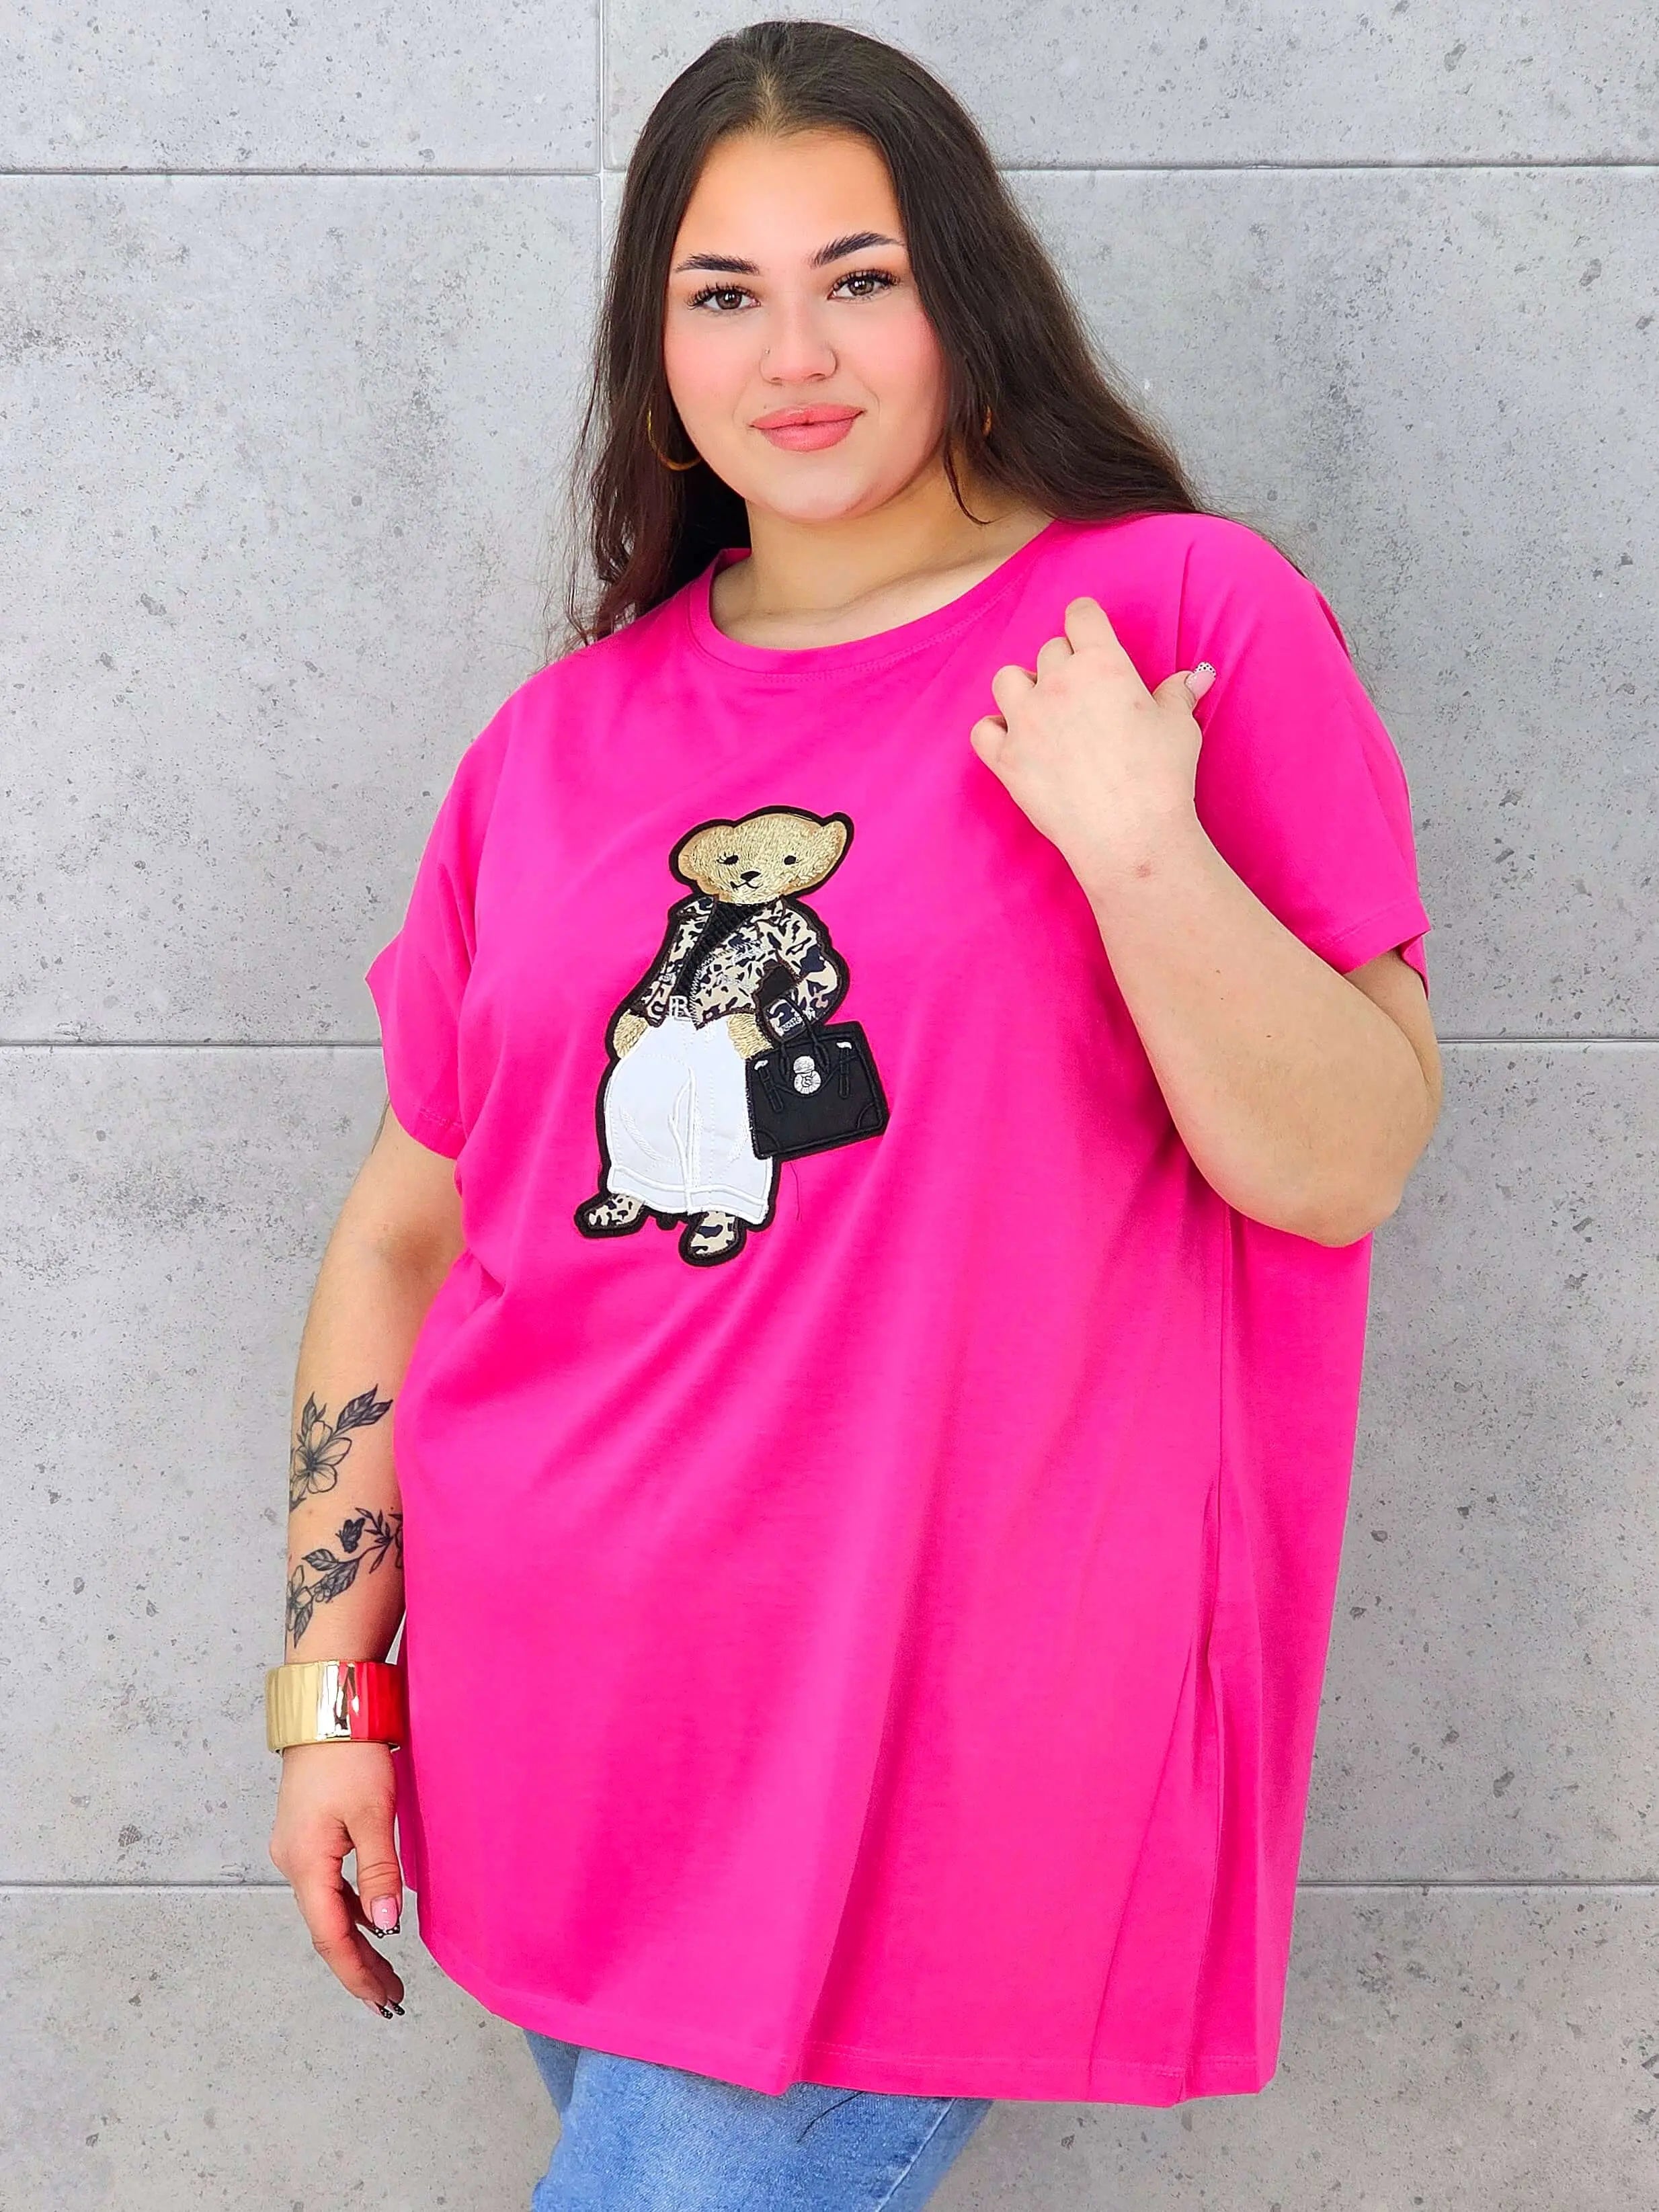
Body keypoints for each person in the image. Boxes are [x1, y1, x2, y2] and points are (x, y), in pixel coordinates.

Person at [265, 19, 1443, 2209]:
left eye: (860, 278)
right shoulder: (554, 746)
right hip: (562, 1718)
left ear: (965, 297)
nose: (791, 355)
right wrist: (339, 1694)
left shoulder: (1166, 615)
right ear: (655, 349)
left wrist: (1136, 842)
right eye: (722, 292)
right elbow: (408, 1231)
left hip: (940, 1735)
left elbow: (1342, 1156)